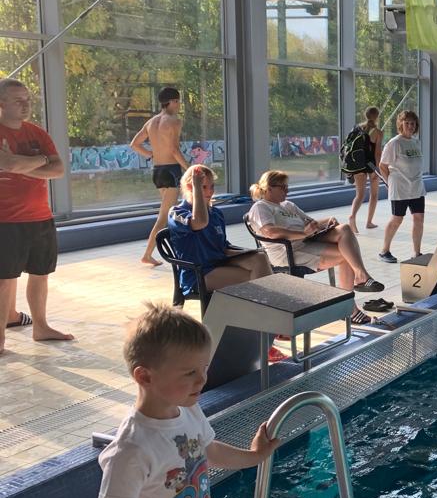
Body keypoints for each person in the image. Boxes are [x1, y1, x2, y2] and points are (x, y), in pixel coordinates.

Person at [73, 304, 280, 498]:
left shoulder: (187, 410)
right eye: (189, 373)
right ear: (145, 376)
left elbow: (208, 451)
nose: (203, 379)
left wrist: (254, 456)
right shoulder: (132, 450)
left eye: (204, 367)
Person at [249, 171, 383, 324]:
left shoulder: (288, 205)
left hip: (305, 243)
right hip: (287, 252)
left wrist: (327, 221)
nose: (287, 191)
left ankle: (358, 283)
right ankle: (350, 306)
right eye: (283, 187)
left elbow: (310, 223)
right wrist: (302, 233)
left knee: (344, 230)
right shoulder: (261, 207)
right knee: (347, 256)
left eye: (287, 187)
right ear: (269, 188)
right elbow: (270, 231)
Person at [0, 78, 74, 355]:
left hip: (40, 217)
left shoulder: (37, 133)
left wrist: (22, 163)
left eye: (27, 99)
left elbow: (58, 169)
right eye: (18, 100)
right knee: (4, 279)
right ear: (1, 103)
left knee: (40, 274)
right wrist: (41, 160)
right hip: (6, 220)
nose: (25, 105)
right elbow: (6, 163)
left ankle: (40, 327)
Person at [167, 165, 273, 296]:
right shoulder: (177, 212)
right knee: (254, 277)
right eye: (203, 187)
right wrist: (197, 188)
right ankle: (266, 304)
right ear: (190, 187)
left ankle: (267, 303)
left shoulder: (216, 213)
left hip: (219, 262)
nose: (210, 192)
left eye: (212, 186)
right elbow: (200, 222)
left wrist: (247, 253)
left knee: (260, 258)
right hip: (198, 273)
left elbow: (222, 247)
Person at [131, 87, 190, 267]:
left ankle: (176, 250)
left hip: (157, 171)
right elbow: (174, 150)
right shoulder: (173, 121)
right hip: (171, 171)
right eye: (178, 102)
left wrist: (151, 154)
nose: (179, 105)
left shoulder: (151, 122)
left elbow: (134, 144)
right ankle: (147, 254)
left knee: (169, 213)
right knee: (164, 217)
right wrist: (189, 168)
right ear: (172, 102)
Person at [379, 110, 425, 263]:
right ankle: (384, 251)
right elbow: (383, 166)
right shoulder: (394, 143)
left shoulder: (416, 142)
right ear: (400, 124)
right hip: (400, 188)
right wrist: (389, 183)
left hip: (417, 187)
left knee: (419, 219)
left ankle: (417, 253)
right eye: (407, 123)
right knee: (397, 219)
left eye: (413, 123)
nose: (410, 126)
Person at [347, 107, 383, 232]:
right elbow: (377, 153)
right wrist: (377, 169)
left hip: (358, 165)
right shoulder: (378, 132)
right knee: (374, 194)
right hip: (371, 165)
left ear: (365, 115)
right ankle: (369, 222)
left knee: (360, 194)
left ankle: (352, 216)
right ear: (377, 117)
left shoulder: (357, 129)